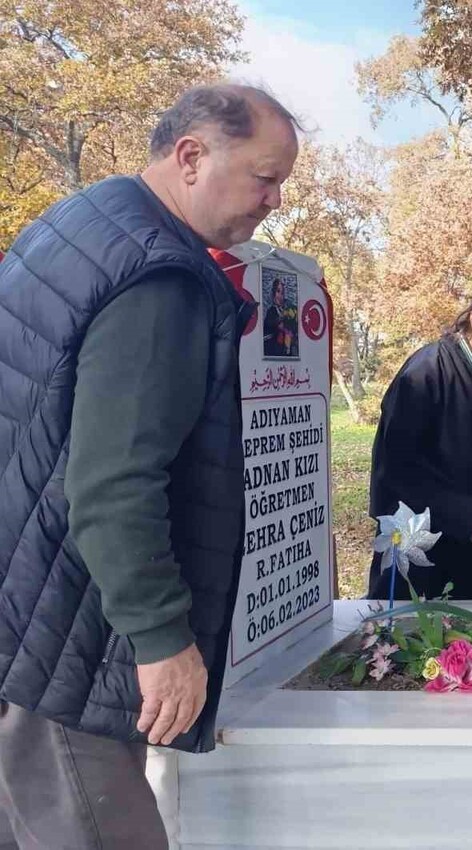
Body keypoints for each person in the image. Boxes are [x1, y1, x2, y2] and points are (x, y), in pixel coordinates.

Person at [0, 84, 300, 847]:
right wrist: (163, 641)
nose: (274, 201)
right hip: (70, 638)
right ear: (192, 155)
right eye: (264, 177)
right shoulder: (157, 276)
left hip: (25, 613)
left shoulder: (80, 223)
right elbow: (113, 484)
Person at [367, 269, 472, 601]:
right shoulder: (424, 373)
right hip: (415, 539)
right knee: (409, 641)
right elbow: (398, 471)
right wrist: (468, 517)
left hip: (471, 543)